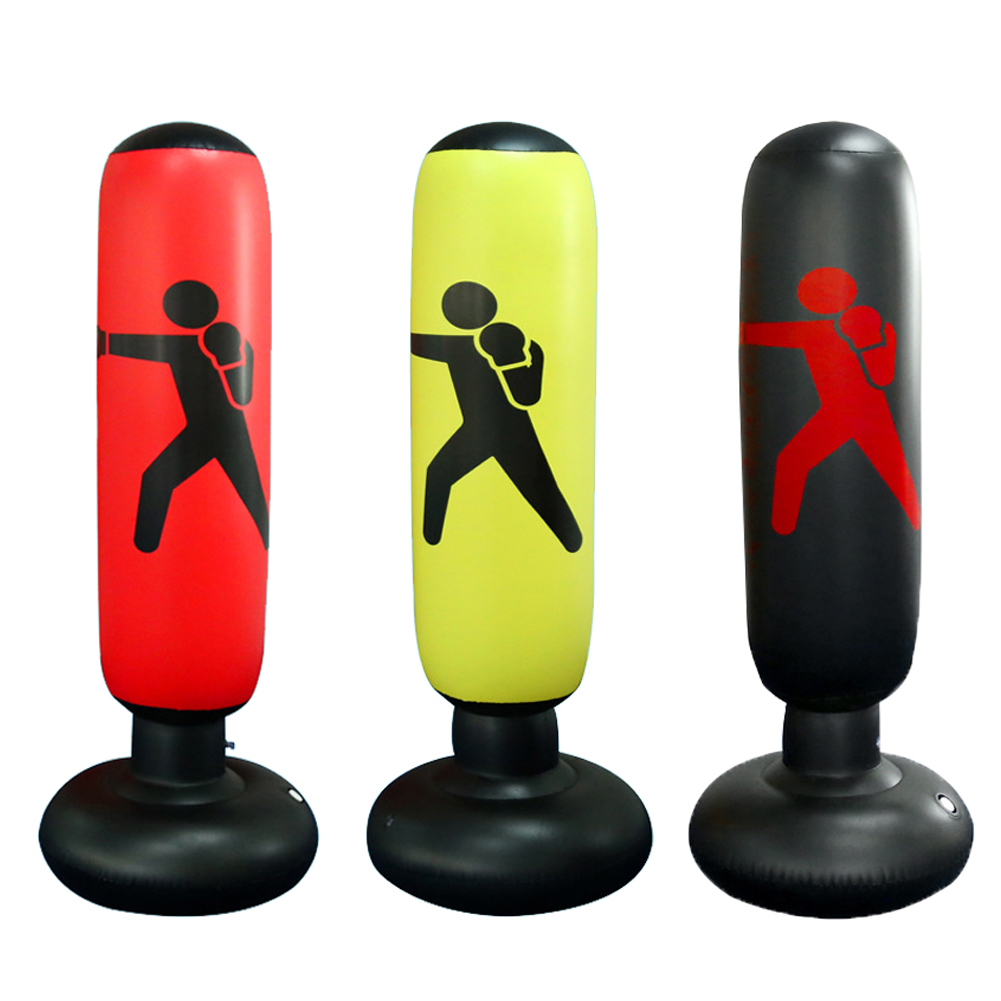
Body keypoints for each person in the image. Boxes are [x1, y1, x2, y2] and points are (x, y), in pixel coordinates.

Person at [741, 266, 920, 534]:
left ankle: (911, 529)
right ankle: (781, 536)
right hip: (836, 415)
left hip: (869, 413)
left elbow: (883, 377)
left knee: (896, 473)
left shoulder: (871, 326)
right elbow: (764, 334)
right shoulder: (814, 330)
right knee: (791, 460)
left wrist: (872, 341)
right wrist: (747, 332)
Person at [98, 279, 269, 552]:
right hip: (199, 432)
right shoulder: (184, 345)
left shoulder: (232, 341)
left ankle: (259, 548)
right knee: (155, 478)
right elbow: (138, 345)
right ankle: (144, 552)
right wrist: (105, 342)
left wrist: (229, 360)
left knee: (253, 497)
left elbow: (243, 399)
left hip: (230, 433)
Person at [412, 281, 582, 553]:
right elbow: (417, 343)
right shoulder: (457, 345)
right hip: (478, 432)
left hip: (513, 435)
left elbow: (528, 396)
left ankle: (573, 544)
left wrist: (512, 359)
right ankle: (432, 541)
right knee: (438, 473)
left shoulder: (518, 345)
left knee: (542, 490)